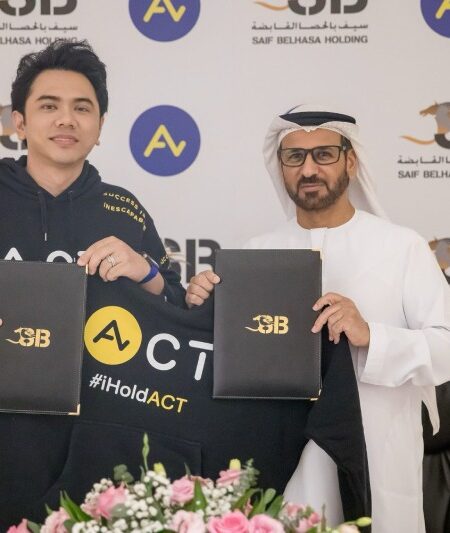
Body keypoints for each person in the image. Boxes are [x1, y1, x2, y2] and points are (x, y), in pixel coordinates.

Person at [185, 104, 450, 533]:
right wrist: (203, 305)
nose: (308, 169)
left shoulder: (403, 248)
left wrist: (372, 336)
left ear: (351, 161)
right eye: (295, 157)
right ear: (281, 167)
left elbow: (445, 347)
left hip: (379, 455)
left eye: (324, 154)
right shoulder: (253, 254)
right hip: (285, 463)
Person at [0, 40, 185, 313]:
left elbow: (179, 307)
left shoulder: (125, 211)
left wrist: (147, 274)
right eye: (49, 106)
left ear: (99, 126)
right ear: (20, 123)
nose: (66, 120)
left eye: (82, 108)